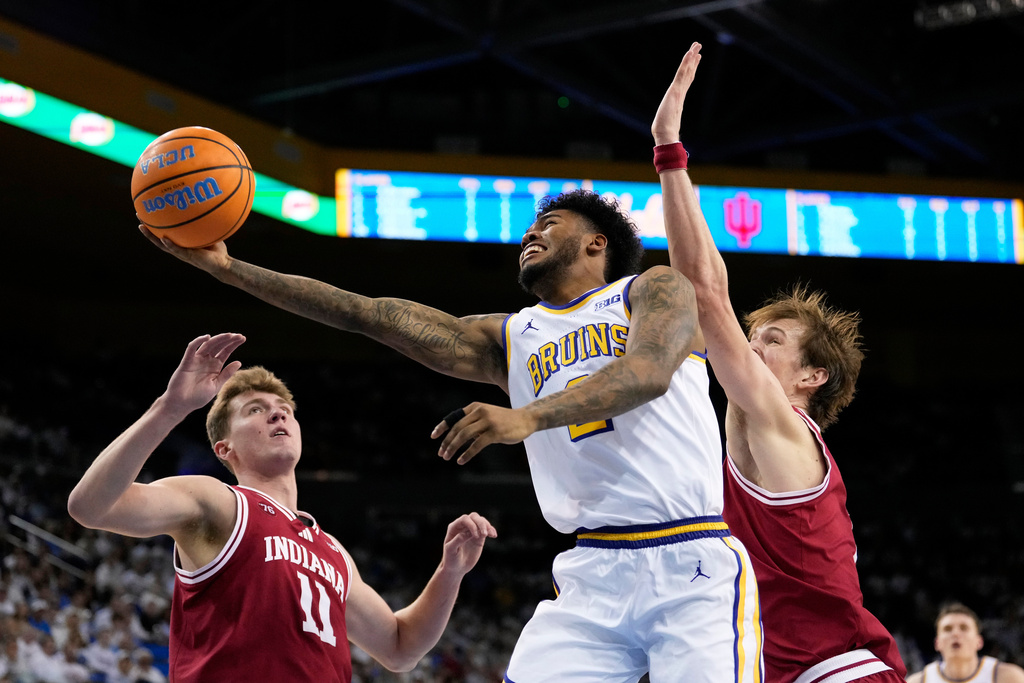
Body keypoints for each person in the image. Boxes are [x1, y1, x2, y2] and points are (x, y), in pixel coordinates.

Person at [142, 189, 764, 681]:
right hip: (592, 569)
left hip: (691, 559)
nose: (531, 233)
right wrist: (230, 271)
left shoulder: (652, 290)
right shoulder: (511, 339)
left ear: (597, 243)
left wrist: (523, 419)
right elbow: (365, 313)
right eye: (531, 227)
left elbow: (648, 373)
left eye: (551, 225)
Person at [653, 42, 907, 683]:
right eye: (751, 334)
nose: (750, 343)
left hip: (840, 671)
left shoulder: (785, 425)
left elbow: (706, 296)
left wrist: (669, 151)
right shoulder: (735, 432)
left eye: (770, 340)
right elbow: (703, 301)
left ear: (811, 377)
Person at [67, 333, 496, 683]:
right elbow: (91, 507)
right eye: (257, 410)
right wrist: (171, 407)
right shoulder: (217, 501)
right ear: (224, 447)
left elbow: (401, 649)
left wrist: (450, 572)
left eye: (284, 410)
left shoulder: (332, 550)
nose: (277, 416)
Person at [907, 603, 1024, 683]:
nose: (955, 634)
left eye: (964, 628)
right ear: (937, 643)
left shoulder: (1008, 677)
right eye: (948, 629)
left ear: (979, 641)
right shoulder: (919, 681)